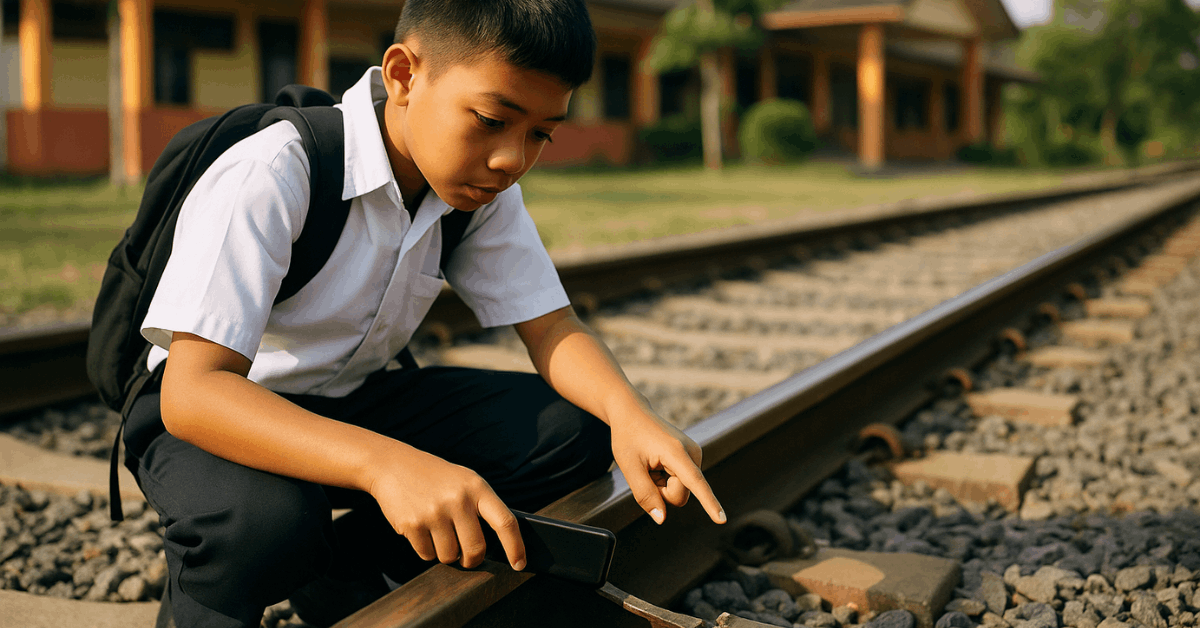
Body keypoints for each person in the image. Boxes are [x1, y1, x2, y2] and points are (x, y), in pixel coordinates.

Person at [123, 1, 725, 626]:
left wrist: (632, 416)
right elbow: (193, 395)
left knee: (572, 434)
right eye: (493, 119)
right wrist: (386, 466)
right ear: (404, 75)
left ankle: (347, 567)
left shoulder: (474, 188)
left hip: (351, 397)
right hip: (223, 414)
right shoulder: (275, 170)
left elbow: (551, 326)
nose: (512, 159)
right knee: (268, 527)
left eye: (542, 133)